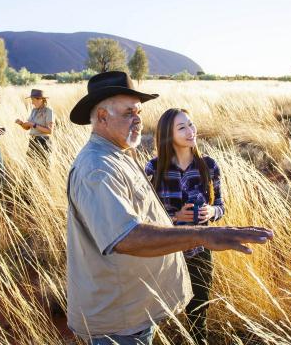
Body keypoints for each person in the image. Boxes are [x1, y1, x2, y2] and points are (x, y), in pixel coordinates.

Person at [66, 71, 274, 345]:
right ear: (102, 117)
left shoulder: (119, 155)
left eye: (139, 112)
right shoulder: (98, 167)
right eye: (129, 113)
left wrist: (208, 219)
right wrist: (203, 235)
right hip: (120, 321)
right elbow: (126, 237)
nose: (138, 119)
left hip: (135, 310)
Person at [145, 108, 224, 344]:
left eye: (191, 124)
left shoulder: (208, 166)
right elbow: (144, 215)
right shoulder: (153, 169)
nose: (191, 131)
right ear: (168, 135)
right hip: (165, 252)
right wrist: (174, 216)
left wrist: (212, 211)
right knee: (157, 312)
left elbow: (220, 205)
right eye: (182, 128)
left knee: (198, 313)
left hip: (200, 250)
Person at [15, 89, 54, 162]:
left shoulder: (48, 111)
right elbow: (28, 128)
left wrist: (33, 124)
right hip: (32, 141)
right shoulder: (34, 111)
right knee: (30, 164)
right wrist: (21, 124)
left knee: (43, 165)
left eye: (33, 100)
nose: (32, 103)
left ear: (40, 99)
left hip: (43, 142)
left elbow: (49, 131)